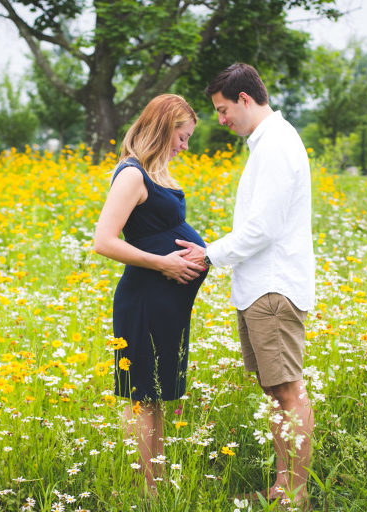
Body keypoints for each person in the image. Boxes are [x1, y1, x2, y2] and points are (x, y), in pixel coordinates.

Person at [176, 63, 315, 507]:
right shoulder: (267, 144)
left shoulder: (275, 145)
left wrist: (207, 254)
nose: (219, 119)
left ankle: (294, 494)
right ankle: (283, 487)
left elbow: (264, 228)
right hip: (261, 286)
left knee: (287, 390)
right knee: (276, 390)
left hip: (273, 288)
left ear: (245, 99)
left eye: (221, 109)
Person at [93, 94, 208, 491]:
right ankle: (146, 489)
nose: (185, 146)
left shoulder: (156, 172)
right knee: (142, 396)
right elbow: (104, 241)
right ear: (162, 128)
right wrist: (165, 263)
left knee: (157, 395)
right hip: (143, 299)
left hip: (165, 304)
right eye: (182, 136)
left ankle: (155, 481)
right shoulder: (131, 174)